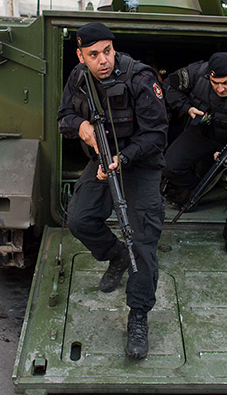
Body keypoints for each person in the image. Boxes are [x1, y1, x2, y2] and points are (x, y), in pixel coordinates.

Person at [57, 22, 167, 359]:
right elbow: (63, 118)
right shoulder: (78, 78)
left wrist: (123, 157)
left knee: (142, 241)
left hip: (140, 164)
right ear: (80, 55)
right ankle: (115, 255)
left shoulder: (140, 78)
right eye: (93, 54)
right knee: (79, 219)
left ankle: (138, 314)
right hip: (103, 162)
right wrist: (82, 127)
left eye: (107, 51)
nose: (103, 59)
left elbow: (158, 134)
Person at [162, 52, 227, 256]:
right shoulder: (197, 72)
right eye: (215, 82)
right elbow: (168, 85)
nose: (220, 88)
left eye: (226, 83)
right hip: (204, 132)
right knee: (169, 165)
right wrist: (186, 107)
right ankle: (199, 191)